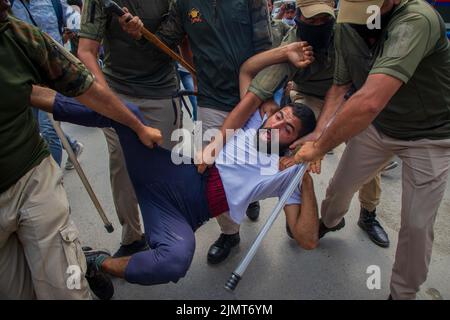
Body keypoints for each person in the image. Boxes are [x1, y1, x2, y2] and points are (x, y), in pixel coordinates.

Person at [32, 87, 319, 290]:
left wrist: (305, 176)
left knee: (175, 261)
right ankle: (28, 92)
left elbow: (307, 239)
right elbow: (255, 71)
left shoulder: (288, 174)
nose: (276, 124)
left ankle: (97, 263)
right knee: (124, 113)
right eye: (279, 116)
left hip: (181, 214)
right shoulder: (256, 118)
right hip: (166, 172)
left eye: (288, 129)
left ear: (295, 143)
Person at [0, 1, 161, 299]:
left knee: (66, 290)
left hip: (30, 177)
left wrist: (136, 125)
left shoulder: (19, 36)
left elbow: (84, 87)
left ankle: (78, 260)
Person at [295, 0, 450, 300]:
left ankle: (402, 293)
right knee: (339, 187)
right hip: (379, 126)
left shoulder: (417, 19)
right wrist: (317, 134)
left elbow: (368, 101)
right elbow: (340, 88)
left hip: (429, 135)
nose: (360, 22)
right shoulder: (345, 25)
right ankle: (329, 222)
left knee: (417, 226)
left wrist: (319, 149)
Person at [119, 0, 273, 264]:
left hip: (253, 95)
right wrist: (139, 33)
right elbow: (165, 42)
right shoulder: (183, 4)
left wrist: (267, 94)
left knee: (258, 164)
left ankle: (249, 197)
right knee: (216, 170)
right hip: (211, 99)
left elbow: (265, 47)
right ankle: (229, 232)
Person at [237, 0, 391, 248]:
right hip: (306, 97)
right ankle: (290, 206)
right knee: (295, 147)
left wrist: (325, 135)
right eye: (311, 19)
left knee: (366, 150)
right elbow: (260, 74)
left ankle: (368, 213)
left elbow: (347, 84)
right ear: (297, 15)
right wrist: (265, 100)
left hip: (346, 96)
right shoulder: (288, 38)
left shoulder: (346, 32)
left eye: (323, 19)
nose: (318, 24)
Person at [78, 0, 182, 258]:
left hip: (161, 91)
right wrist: (108, 100)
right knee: (121, 168)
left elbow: (180, 39)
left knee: (164, 167)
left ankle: (167, 232)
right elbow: (86, 51)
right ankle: (133, 237)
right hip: (118, 91)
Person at [11, 0, 84, 170]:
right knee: (35, 128)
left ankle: (54, 181)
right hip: (25, 79)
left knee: (48, 128)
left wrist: (70, 28)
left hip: (51, 75)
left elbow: (73, 17)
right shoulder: (9, 6)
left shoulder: (49, 1)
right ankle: (71, 145)